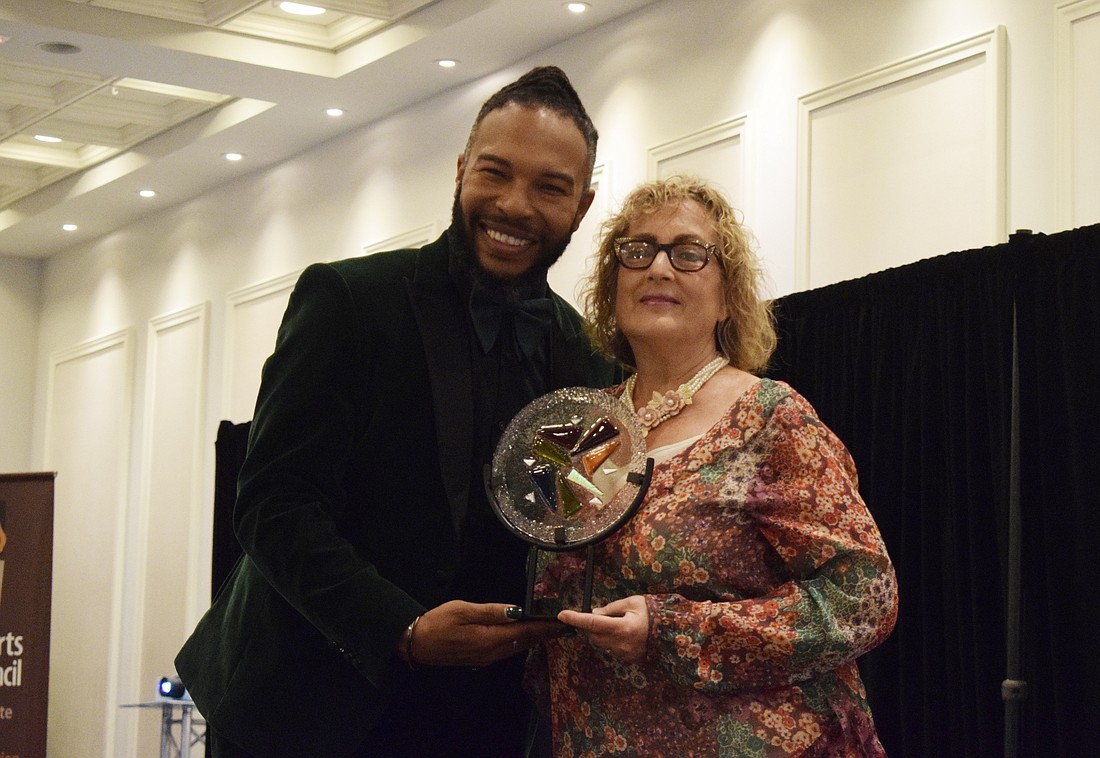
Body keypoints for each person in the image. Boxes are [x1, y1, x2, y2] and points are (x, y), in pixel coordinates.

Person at [174, 66, 620, 757]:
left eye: (549, 188)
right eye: (495, 173)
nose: (514, 204)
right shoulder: (348, 301)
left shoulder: (587, 355)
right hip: (310, 705)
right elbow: (273, 504)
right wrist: (400, 631)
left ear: (583, 206)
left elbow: (566, 520)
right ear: (460, 169)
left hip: (483, 723)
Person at [529, 176, 899, 755]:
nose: (657, 267)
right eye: (638, 250)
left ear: (728, 297)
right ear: (612, 284)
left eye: (688, 253)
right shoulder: (581, 431)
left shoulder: (771, 419)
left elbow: (864, 598)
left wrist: (673, 631)